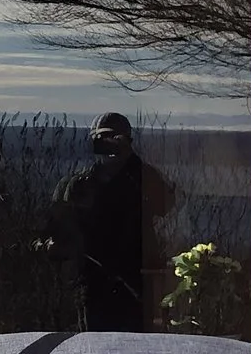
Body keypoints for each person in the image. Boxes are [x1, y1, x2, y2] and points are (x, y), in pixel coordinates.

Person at [43, 112, 172, 332]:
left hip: (134, 282)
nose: (109, 146)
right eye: (102, 140)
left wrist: (132, 162)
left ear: (128, 142)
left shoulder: (141, 179)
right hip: (93, 283)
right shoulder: (79, 185)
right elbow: (57, 229)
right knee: (94, 342)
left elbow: (165, 205)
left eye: (115, 139)